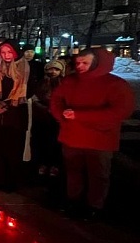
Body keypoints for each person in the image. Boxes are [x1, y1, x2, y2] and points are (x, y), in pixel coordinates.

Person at [51, 48, 134, 220]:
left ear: (97, 63)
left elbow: (121, 111)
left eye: (85, 63)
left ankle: (94, 206)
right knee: (73, 172)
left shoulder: (115, 84)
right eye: (78, 63)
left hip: (99, 138)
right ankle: (72, 200)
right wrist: (61, 116)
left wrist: (79, 115)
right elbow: (56, 100)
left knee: (98, 175)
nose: (80, 66)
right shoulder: (70, 81)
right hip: (72, 136)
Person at [0, 40, 30, 192]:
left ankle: (11, 182)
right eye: (3, 52)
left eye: (9, 52)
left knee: (13, 151)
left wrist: (6, 106)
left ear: (15, 52)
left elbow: (29, 90)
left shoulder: (25, 68)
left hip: (15, 116)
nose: (6, 55)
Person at [31, 59, 65, 177]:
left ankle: (55, 165)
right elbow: (35, 98)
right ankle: (43, 164)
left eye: (56, 69)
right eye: (51, 69)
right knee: (42, 142)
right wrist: (43, 108)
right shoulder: (42, 83)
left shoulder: (64, 83)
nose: (53, 72)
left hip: (58, 119)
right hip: (42, 117)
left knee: (56, 143)